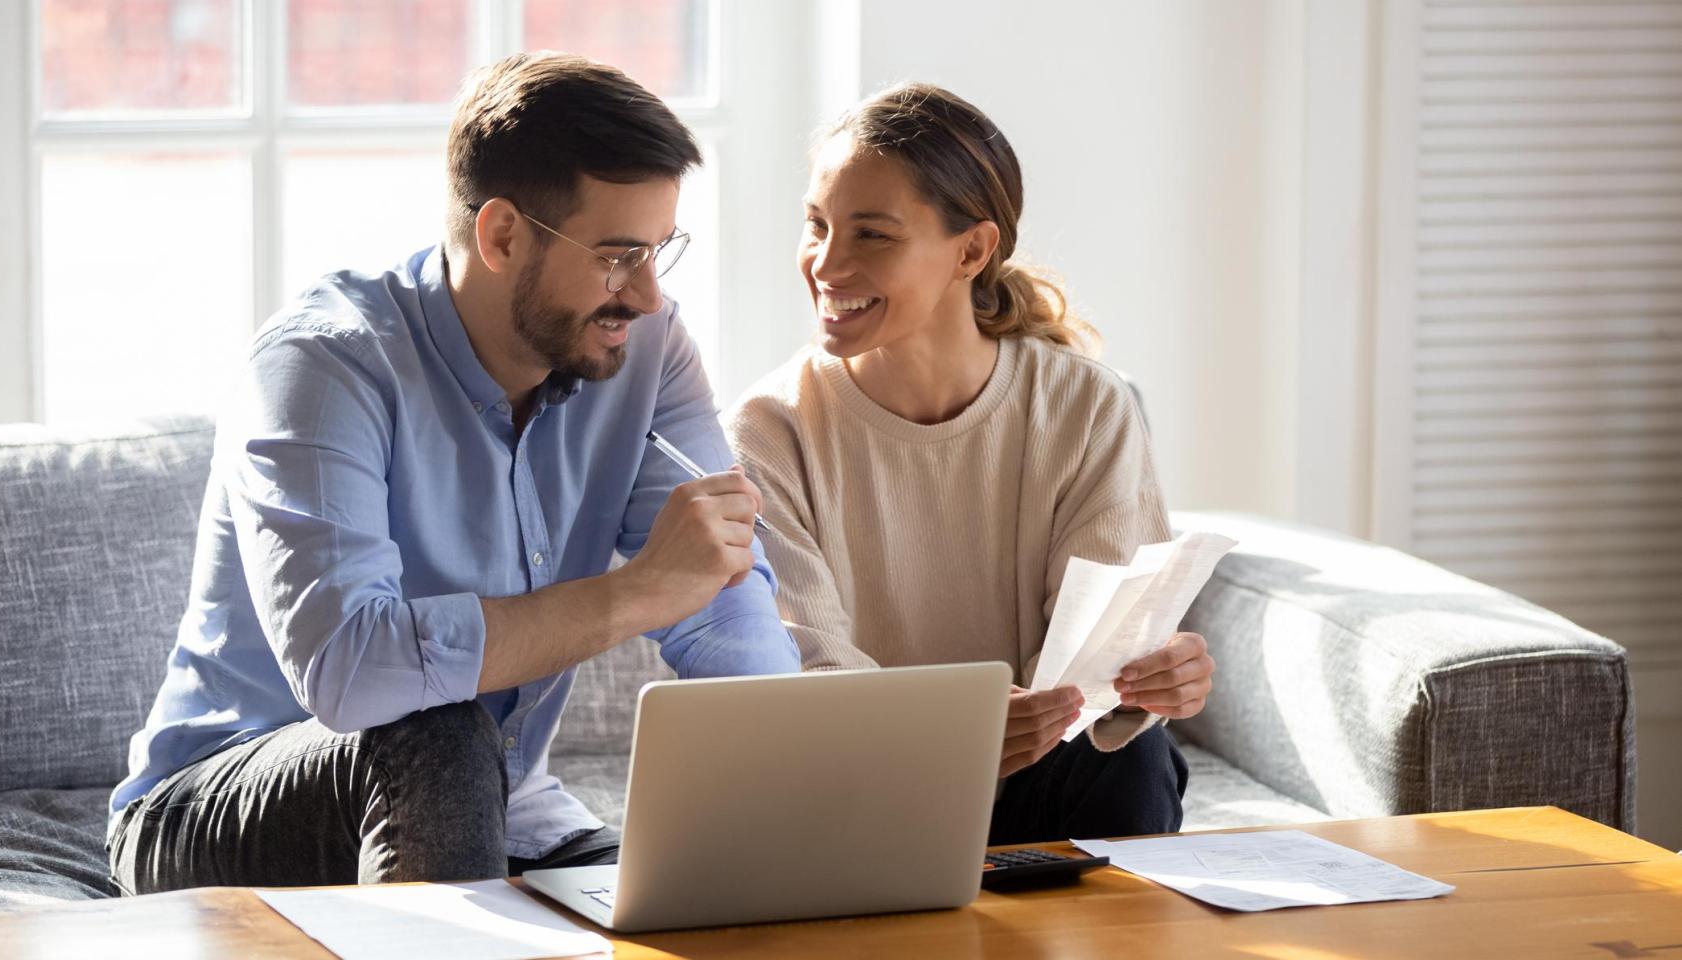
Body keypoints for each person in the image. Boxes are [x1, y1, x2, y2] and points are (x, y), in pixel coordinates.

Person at [108, 52, 799, 894]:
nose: (648, 295)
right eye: (619, 255)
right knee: (435, 732)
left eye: (661, 250)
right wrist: (634, 593)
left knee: (710, 899)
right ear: (502, 234)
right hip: (215, 804)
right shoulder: (323, 368)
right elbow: (351, 670)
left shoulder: (646, 350)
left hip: (507, 808)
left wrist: (792, 782)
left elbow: (722, 591)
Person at [726, 83, 1214, 844]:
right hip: (863, 789)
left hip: (1045, 772)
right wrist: (959, 734)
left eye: (871, 236)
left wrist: (1150, 681)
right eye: (816, 226)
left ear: (973, 250)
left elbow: (1097, 663)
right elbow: (808, 675)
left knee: (1132, 758)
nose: (826, 263)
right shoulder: (769, 429)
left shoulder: (1085, 405)